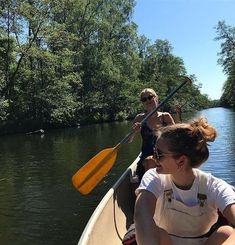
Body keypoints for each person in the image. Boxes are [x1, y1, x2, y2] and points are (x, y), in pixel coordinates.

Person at [134, 117, 235, 245]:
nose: (153, 158)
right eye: (154, 151)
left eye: (159, 154)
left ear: (181, 161)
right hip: (165, 242)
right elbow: (141, 213)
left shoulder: (214, 186)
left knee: (226, 232)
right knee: (158, 232)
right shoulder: (154, 177)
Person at [129, 88, 175, 181]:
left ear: (156, 98)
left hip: (165, 156)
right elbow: (129, 139)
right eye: (144, 99)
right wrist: (134, 131)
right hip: (146, 158)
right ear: (142, 103)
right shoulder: (139, 118)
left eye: (150, 97)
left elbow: (176, 138)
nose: (148, 100)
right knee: (150, 161)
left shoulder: (165, 117)